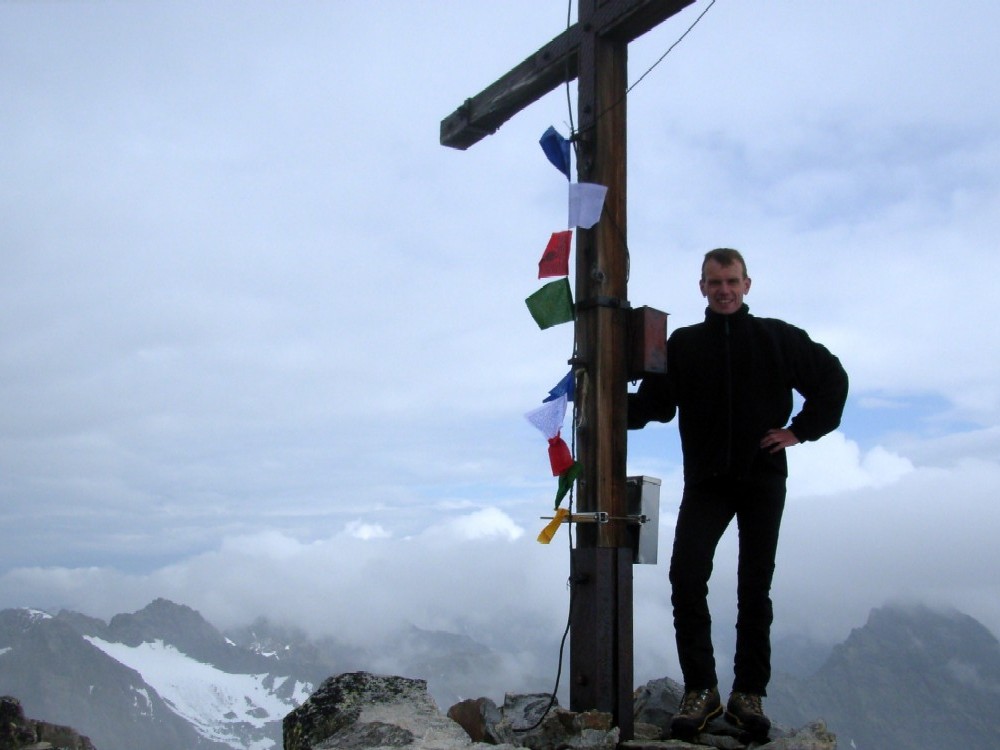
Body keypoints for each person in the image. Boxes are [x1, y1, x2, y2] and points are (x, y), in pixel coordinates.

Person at [628, 248, 848, 741]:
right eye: (714, 282)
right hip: (707, 480)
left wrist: (800, 431)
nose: (723, 289)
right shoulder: (683, 345)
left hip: (762, 478)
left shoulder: (778, 338)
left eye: (731, 281)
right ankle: (701, 690)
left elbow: (832, 381)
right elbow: (656, 406)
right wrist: (598, 398)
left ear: (747, 284)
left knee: (754, 585)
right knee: (686, 576)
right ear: (701, 287)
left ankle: (748, 695)